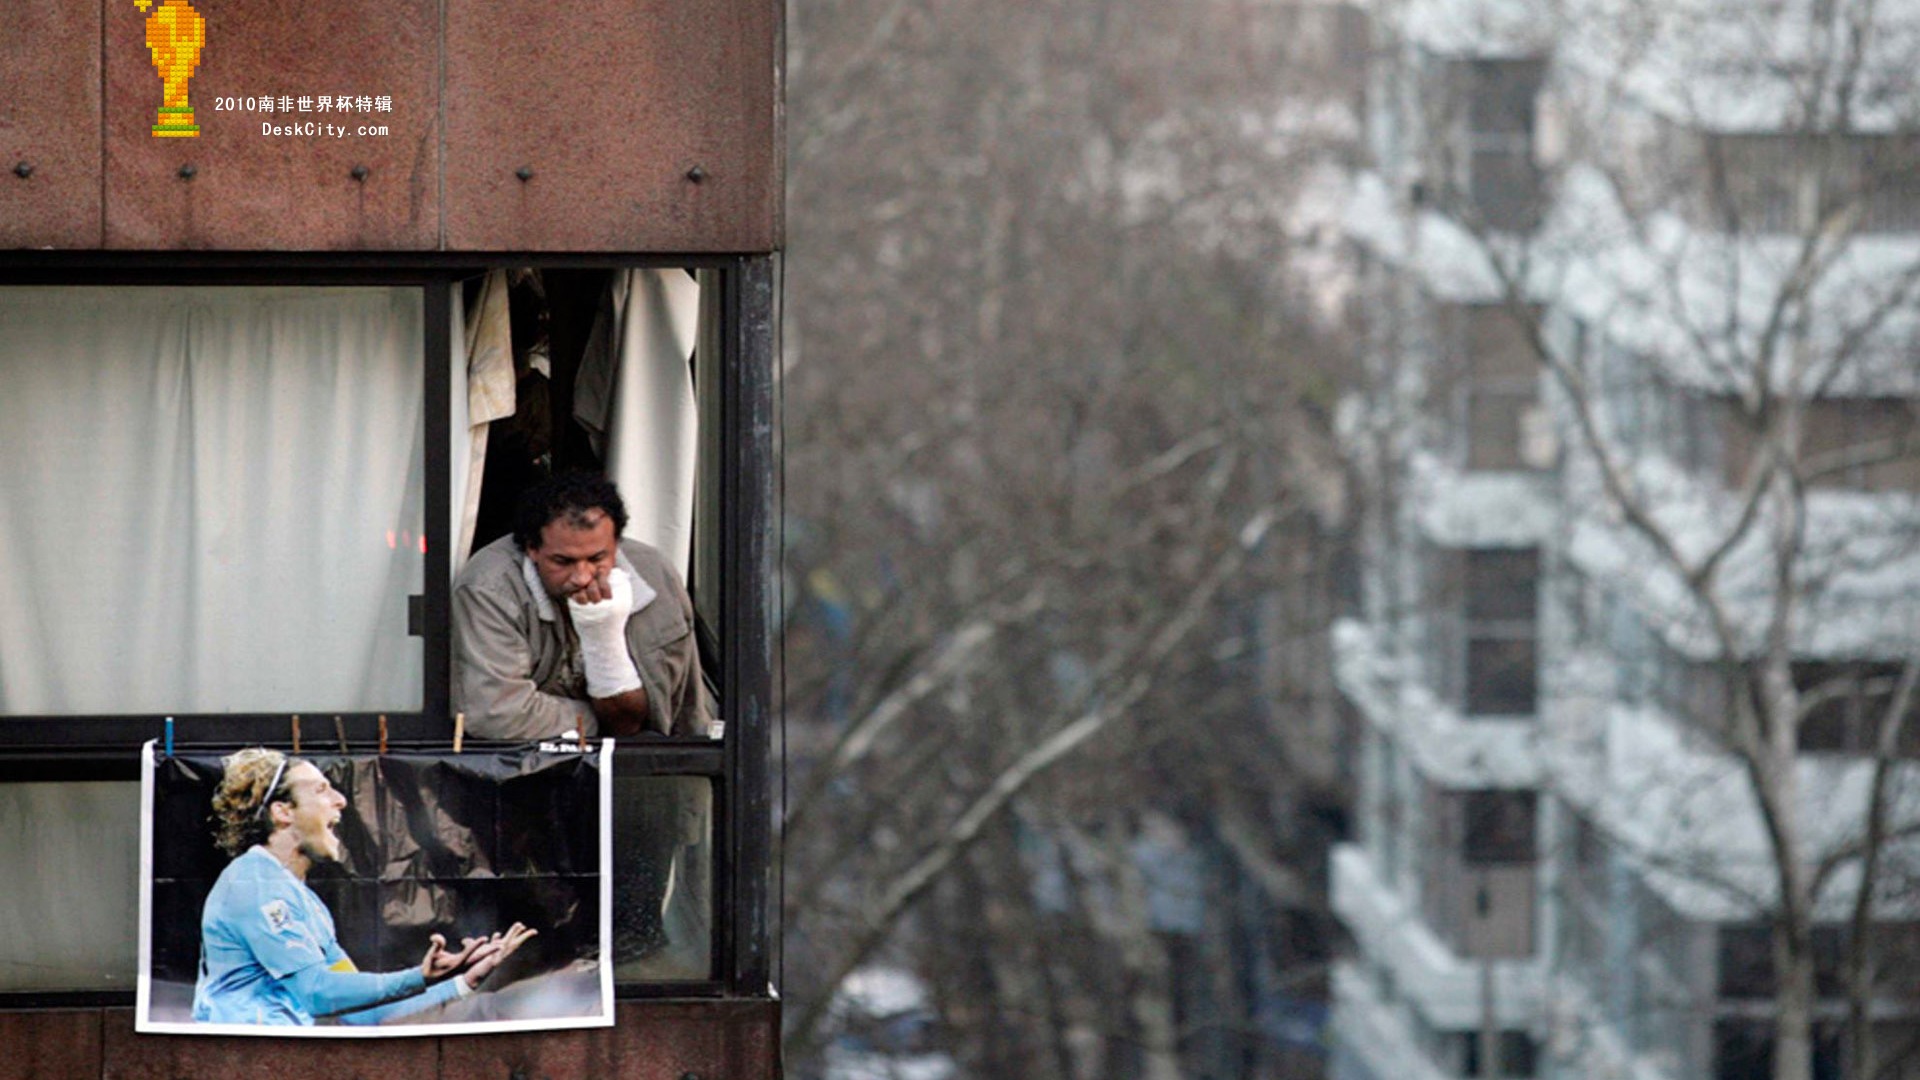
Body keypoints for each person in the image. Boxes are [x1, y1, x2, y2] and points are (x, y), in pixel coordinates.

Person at [191, 747, 536, 1026]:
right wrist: (419, 976)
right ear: (283, 812)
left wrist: (463, 981)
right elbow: (317, 993)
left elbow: (366, 1014)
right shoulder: (254, 884)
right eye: (321, 789)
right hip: (238, 1062)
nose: (341, 800)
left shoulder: (304, 901)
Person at [452, 472, 713, 741]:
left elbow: (677, 709)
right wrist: (602, 719)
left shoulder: (655, 576)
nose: (582, 577)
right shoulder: (490, 588)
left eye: (597, 558)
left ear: (616, 545)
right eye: (563, 562)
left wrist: (602, 635)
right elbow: (497, 714)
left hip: (647, 767)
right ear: (532, 549)